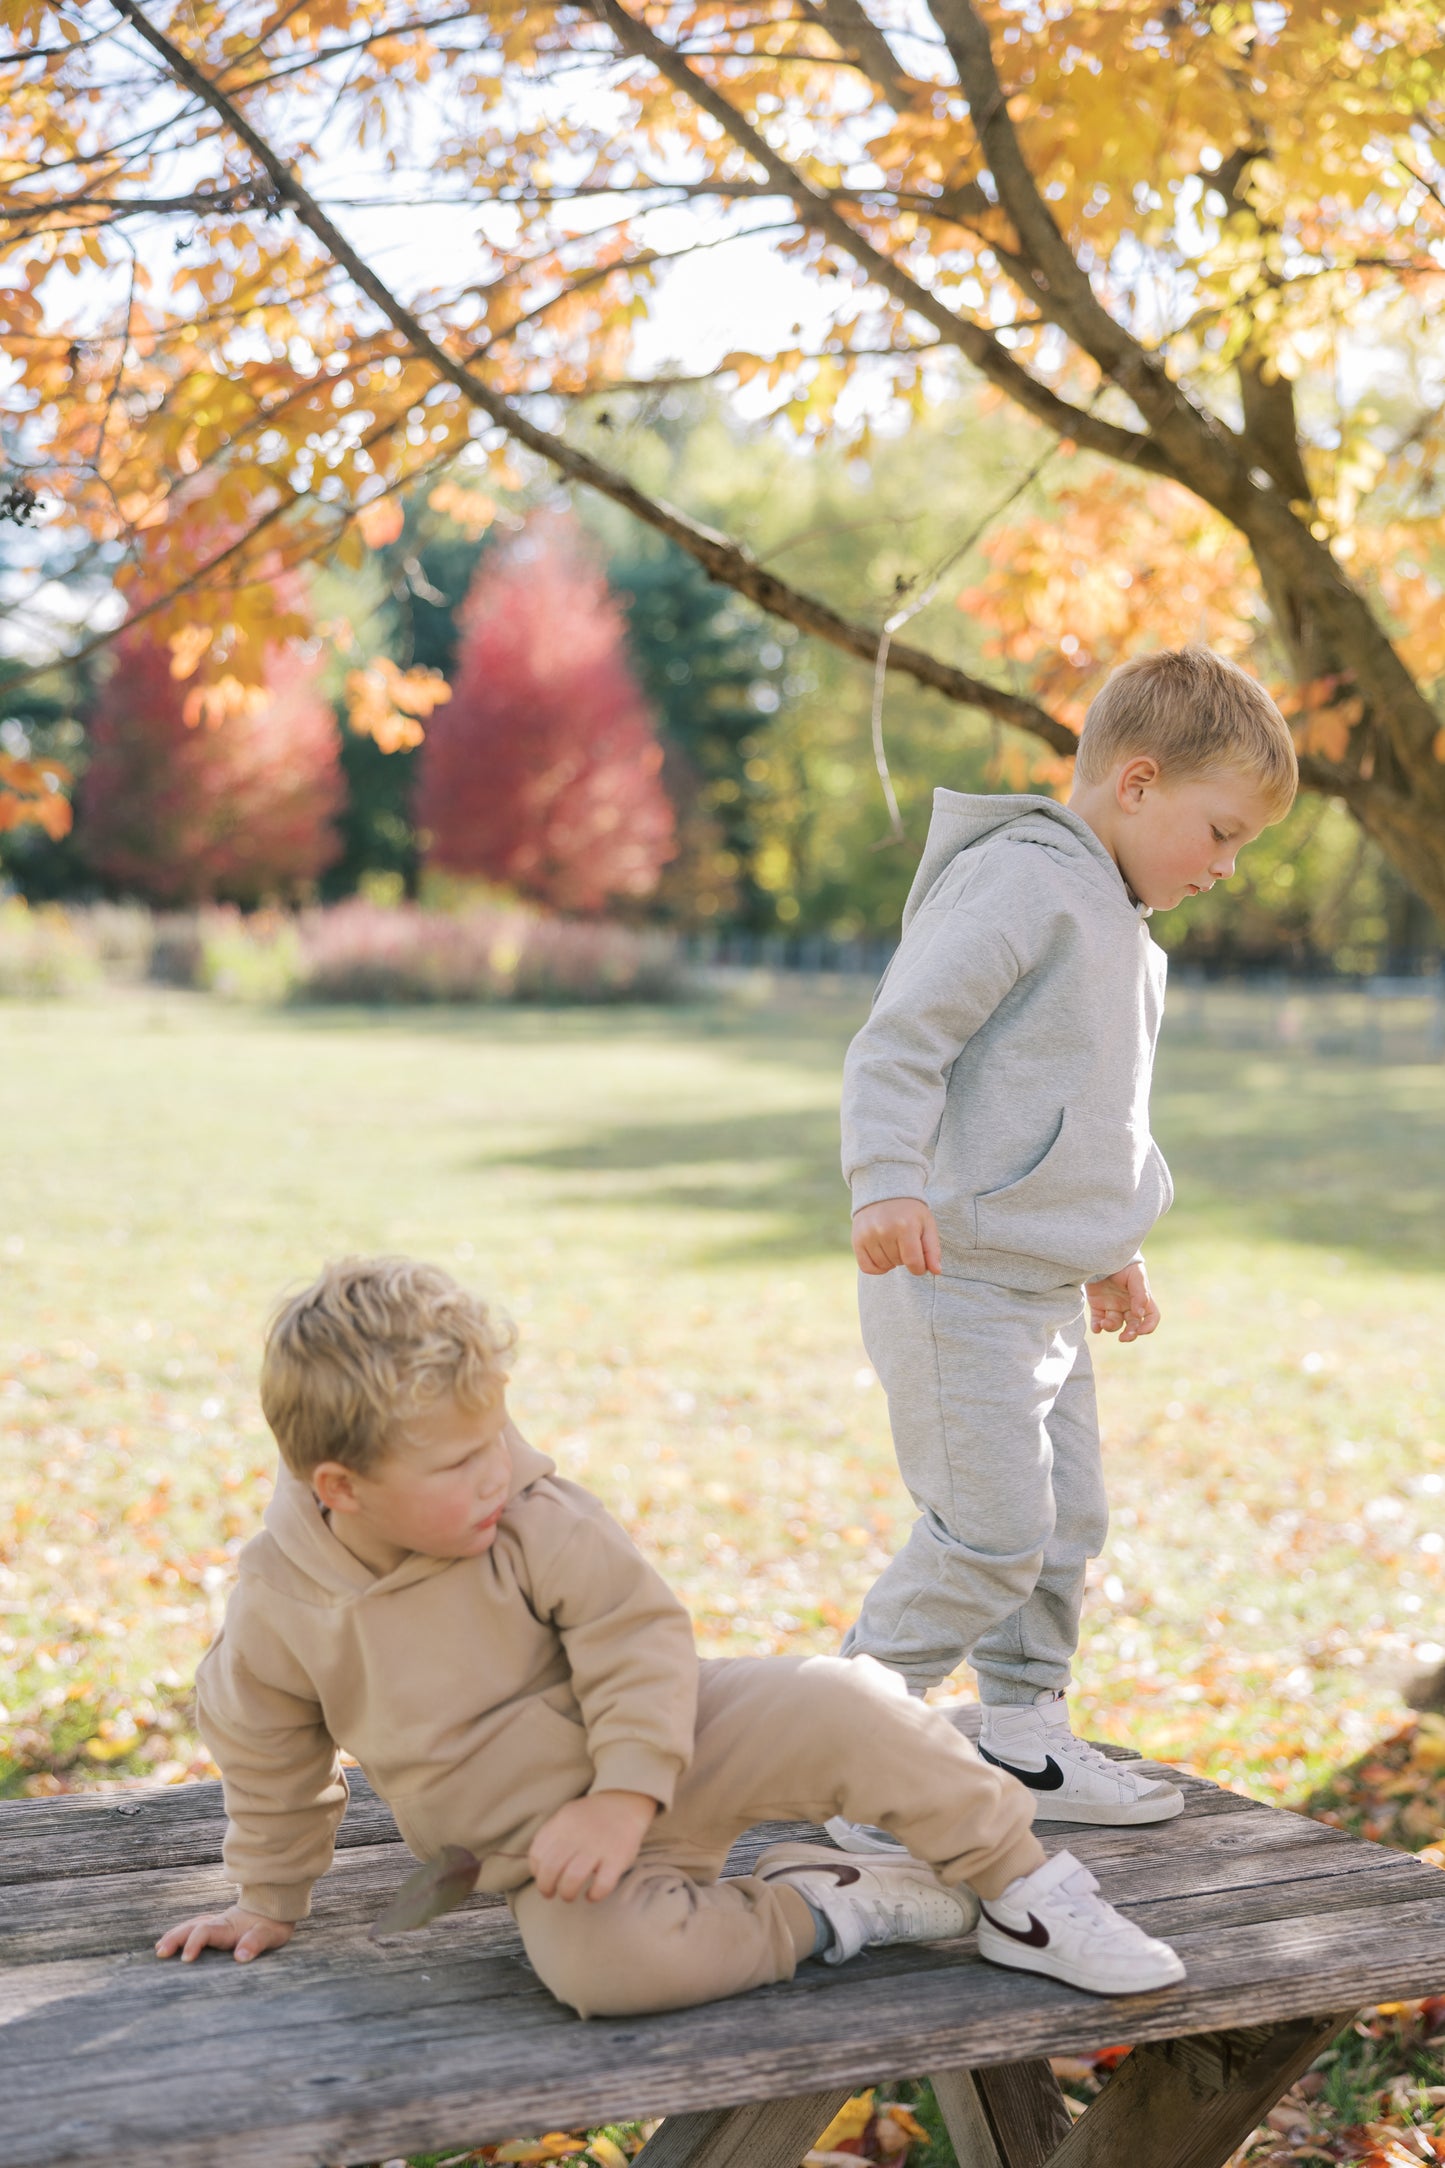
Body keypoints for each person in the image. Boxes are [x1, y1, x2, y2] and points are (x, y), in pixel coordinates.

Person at [156, 1256, 1184, 2014]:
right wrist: (269, 1896)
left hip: (678, 1736)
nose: (498, 1469)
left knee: (848, 1698)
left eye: (498, 1436)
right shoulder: (282, 1610)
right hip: (545, 1853)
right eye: (460, 1459)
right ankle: (825, 1907)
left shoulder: (527, 1511)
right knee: (604, 1972)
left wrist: (622, 1790)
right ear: (340, 1487)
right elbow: (267, 1754)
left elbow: (633, 1633)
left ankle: (1022, 1887)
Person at [832, 648, 1297, 1845]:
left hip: (1037, 1282)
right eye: (1220, 830)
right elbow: (900, 1042)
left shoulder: (1121, 919)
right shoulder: (1019, 884)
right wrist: (885, 1178)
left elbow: (1084, 1114)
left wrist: (1108, 1242)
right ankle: (840, 1744)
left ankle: (1025, 1737)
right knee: (987, 1533)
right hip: (951, 1279)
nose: (1225, 865)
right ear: (1136, 783)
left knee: (1062, 1524)